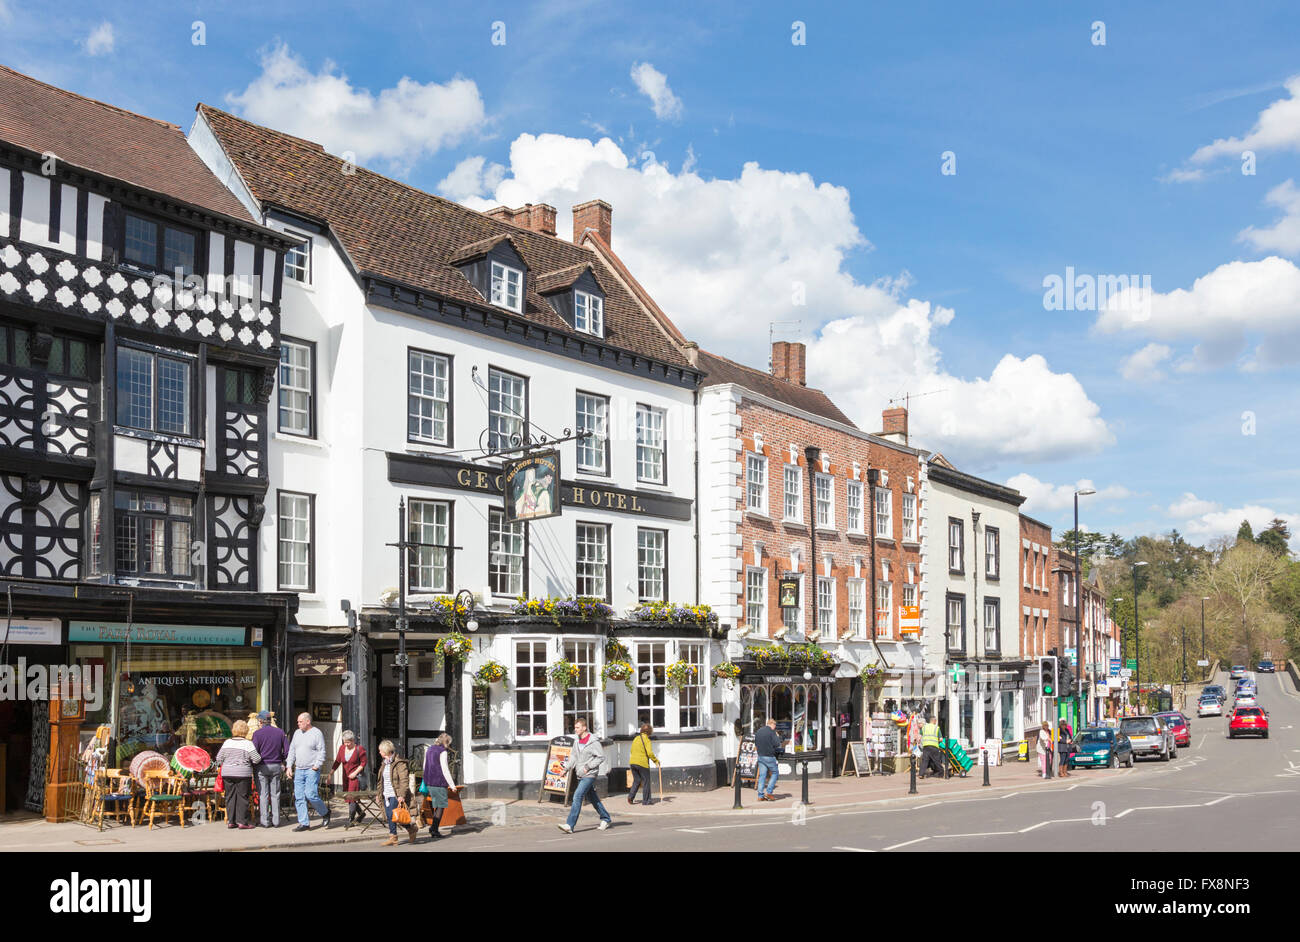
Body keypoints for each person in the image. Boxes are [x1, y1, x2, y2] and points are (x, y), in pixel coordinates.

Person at [557, 717, 611, 833]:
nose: (575, 730)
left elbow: (601, 757)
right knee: (593, 798)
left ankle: (569, 825)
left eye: (577, 727)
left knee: (577, 796)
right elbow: (574, 757)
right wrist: (566, 769)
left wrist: (588, 767)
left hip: (590, 774)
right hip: (580, 774)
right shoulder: (577, 741)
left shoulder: (593, 742)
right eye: (575, 727)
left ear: (584, 728)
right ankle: (606, 818)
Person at [286, 712, 330, 832]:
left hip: (311, 769)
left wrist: (316, 766)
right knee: (299, 796)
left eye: (300, 722)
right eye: (298, 722)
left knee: (311, 794)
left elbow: (322, 751)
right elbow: (292, 751)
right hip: (299, 769)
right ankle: (304, 823)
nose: (298, 724)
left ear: (307, 722)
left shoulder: (316, 733)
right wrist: (289, 766)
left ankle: (325, 812)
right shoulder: (297, 733)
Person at [215, 719, 261, 829]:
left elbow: (218, 759)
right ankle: (242, 822)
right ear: (246, 731)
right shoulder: (248, 744)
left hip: (227, 773)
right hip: (243, 774)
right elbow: (257, 759)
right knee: (242, 797)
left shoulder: (227, 743)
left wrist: (228, 763)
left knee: (230, 796)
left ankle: (231, 821)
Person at [375, 740, 419, 846]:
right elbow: (381, 781)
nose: (379, 752)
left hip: (396, 794)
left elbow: (404, 780)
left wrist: (401, 796)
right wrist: (379, 794)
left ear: (386, 751)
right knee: (391, 816)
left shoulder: (399, 763)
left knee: (394, 816)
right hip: (386, 794)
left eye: (380, 750)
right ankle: (406, 831)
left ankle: (397, 835)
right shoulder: (384, 763)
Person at [251, 710, 288, 828]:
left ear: (261, 721)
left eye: (258, 721)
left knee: (263, 794)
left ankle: (265, 821)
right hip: (276, 765)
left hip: (261, 766)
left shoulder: (257, 734)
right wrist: (280, 759)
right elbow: (287, 751)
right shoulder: (280, 732)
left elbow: (254, 752)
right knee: (275, 794)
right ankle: (276, 821)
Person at [422, 732, 459, 840]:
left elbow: (424, 765)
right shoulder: (443, 752)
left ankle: (433, 828)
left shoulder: (429, 749)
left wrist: (426, 778)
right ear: (446, 743)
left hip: (429, 781)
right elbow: (445, 769)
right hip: (439, 781)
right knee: (441, 806)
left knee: (436, 805)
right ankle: (434, 829)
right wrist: (452, 785)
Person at [331, 731, 368, 828]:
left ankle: (351, 820)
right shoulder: (342, 748)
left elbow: (363, 763)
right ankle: (361, 814)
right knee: (349, 798)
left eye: (348, 742)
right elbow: (337, 761)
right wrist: (331, 773)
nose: (346, 744)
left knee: (351, 798)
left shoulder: (359, 749)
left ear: (353, 741)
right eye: (344, 742)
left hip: (355, 777)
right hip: (345, 777)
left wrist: (355, 773)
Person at [628, 723, 660, 805]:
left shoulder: (636, 738)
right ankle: (646, 801)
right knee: (646, 781)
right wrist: (656, 761)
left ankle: (630, 797)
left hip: (632, 762)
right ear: (649, 732)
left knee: (637, 780)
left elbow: (631, 750)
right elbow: (649, 753)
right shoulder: (647, 740)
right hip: (642, 763)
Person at [755, 717, 782, 801]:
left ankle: (760, 795)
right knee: (775, 773)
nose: (775, 727)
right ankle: (769, 793)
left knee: (762, 775)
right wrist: (777, 736)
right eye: (775, 725)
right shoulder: (771, 732)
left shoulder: (759, 731)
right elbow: (777, 744)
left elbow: (755, 742)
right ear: (772, 724)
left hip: (760, 756)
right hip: (769, 756)